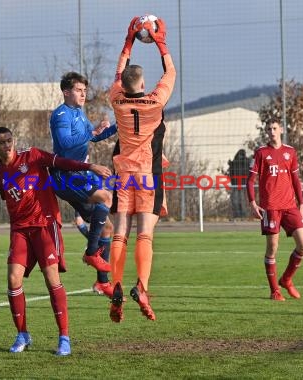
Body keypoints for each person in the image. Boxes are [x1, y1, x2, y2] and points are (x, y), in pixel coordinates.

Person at [0, 126, 111, 356]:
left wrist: (90, 166)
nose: (7, 145)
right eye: (2, 142)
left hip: (45, 224)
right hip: (20, 230)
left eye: (9, 140)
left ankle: (64, 337)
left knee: (51, 277)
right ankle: (22, 334)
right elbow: (9, 198)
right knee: (13, 279)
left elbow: (63, 162)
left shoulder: (33, 156)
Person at [107, 16, 176, 322]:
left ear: (122, 85)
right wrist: (160, 42)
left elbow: (119, 73)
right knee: (145, 233)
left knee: (120, 230)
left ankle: (117, 283)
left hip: (123, 174)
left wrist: (128, 41)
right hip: (147, 175)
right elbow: (171, 71)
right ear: (145, 85)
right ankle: (142, 286)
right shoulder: (155, 103)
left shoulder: (116, 101)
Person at [49, 72, 117, 297]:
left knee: (107, 226)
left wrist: (116, 127)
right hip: (65, 175)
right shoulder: (61, 115)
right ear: (66, 92)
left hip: (79, 174)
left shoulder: (79, 112)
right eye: (79, 90)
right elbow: (65, 142)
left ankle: (102, 282)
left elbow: (94, 137)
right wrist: (91, 132)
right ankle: (90, 252)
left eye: (85, 91)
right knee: (106, 197)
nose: (83, 94)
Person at [247, 118, 303, 301]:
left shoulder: (290, 152)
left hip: (290, 206)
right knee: (272, 248)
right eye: (269, 129)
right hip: (271, 208)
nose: (272, 131)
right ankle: (275, 291)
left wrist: (301, 205)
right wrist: (253, 202)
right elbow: (250, 181)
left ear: (281, 129)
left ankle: (286, 279)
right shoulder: (261, 153)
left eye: (274, 128)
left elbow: (296, 181)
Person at [228, 149, 249, 219]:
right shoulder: (236, 163)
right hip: (238, 184)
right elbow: (231, 173)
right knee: (237, 200)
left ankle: (241, 215)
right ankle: (238, 215)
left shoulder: (241, 162)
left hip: (240, 184)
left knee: (240, 200)